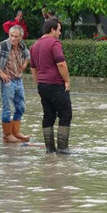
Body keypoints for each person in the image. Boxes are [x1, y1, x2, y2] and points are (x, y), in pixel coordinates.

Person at [30, 17, 72, 154]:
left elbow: (33, 69)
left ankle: (49, 148)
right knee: (65, 114)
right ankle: (63, 149)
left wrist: (39, 83)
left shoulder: (34, 45)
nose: (60, 33)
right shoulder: (54, 43)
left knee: (48, 115)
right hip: (56, 84)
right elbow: (61, 63)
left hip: (42, 85)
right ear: (52, 29)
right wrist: (67, 81)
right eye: (59, 30)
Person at [0, 25, 31, 143]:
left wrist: (25, 64)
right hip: (7, 81)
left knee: (21, 107)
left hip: (18, 80)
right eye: (11, 36)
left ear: (21, 37)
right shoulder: (2, 45)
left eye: (16, 37)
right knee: (7, 108)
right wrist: (1, 73)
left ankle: (16, 132)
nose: (13, 38)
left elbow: (28, 55)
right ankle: (7, 135)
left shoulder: (22, 46)